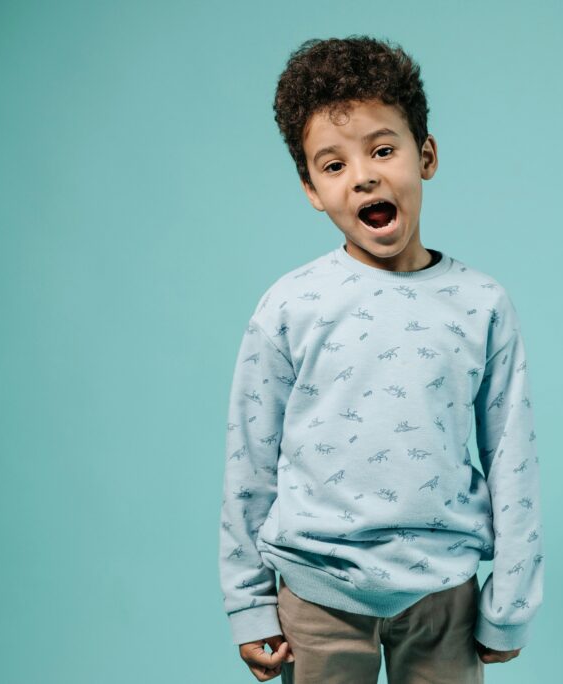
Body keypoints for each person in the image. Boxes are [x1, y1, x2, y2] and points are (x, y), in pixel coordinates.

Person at [218, 35, 544, 683]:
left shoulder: (482, 304)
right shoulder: (289, 306)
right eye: (332, 165)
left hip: (445, 596)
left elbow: (512, 456)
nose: (363, 175)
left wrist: (509, 601)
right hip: (317, 597)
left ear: (426, 155)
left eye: (383, 150)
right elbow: (249, 458)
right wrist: (249, 603)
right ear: (311, 188)